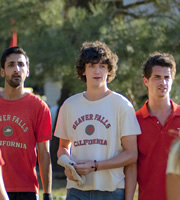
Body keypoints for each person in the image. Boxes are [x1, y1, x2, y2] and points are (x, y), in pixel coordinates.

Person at [54, 40, 141, 200]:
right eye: (92, 66)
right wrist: (68, 165)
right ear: (83, 71)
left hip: (111, 192)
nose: (97, 71)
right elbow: (63, 148)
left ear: (109, 71)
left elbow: (131, 155)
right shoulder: (69, 105)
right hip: (76, 190)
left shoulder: (122, 105)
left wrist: (95, 166)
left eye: (102, 66)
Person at [0, 46, 53, 200]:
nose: (16, 69)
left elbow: (44, 153)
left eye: (21, 64)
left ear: (27, 71)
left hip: (26, 189)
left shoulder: (39, 107)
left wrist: (48, 193)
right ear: (2, 71)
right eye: (11, 65)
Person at [136, 52, 180, 200]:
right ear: (146, 81)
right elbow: (129, 167)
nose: (163, 82)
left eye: (167, 77)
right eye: (157, 77)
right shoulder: (134, 120)